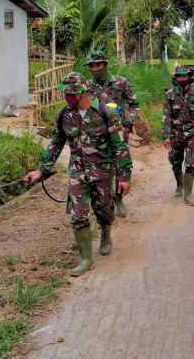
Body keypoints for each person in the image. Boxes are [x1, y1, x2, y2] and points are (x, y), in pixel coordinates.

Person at [24, 72, 132, 276]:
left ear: (82, 92)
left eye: (71, 94)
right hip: (78, 170)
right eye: (65, 94)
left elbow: (119, 144)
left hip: (102, 170)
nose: (67, 98)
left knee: (103, 209)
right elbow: (56, 143)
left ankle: (105, 232)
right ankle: (86, 259)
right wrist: (41, 169)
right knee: (78, 214)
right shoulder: (64, 115)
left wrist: (124, 176)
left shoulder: (106, 111)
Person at [86, 50, 140, 218]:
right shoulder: (86, 87)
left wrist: (128, 124)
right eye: (92, 66)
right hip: (97, 137)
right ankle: (105, 202)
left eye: (98, 65)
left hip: (118, 134)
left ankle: (119, 199)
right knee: (101, 170)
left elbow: (134, 103)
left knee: (120, 167)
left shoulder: (120, 83)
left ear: (105, 64)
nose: (95, 68)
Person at [162, 65, 194, 205]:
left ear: (188, 77)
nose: (182, 79)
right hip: (176, 135)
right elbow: (166, 117)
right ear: (176, 78)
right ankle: (180, 185)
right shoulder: (170, 94)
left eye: (184, 76)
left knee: (190, 164)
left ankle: (188, 194)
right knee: (175, 162)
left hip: (192, 135)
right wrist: (165, 136)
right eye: (179, 76)